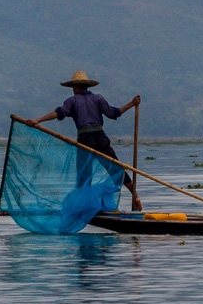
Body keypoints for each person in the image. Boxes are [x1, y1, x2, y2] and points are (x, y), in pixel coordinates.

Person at [25, 70, 143, 211]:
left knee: (84, 174)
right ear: (86, 86)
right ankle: (135, 196)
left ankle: (83, 207)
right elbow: (114, 113)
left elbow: (58, 113)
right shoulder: (98, 98)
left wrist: (38, 120)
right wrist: (132, 103)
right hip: (101, 137)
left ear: (75, 87)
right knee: (116, 168)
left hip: (85, 139)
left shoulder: (72, 101)